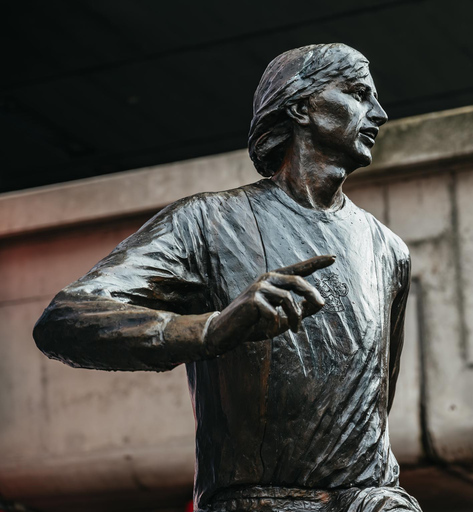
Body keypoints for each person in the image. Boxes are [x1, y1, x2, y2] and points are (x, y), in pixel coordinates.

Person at [33, 43, 419, 512]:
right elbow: (67, 318)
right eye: (359, 93)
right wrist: (210, 329)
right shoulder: (208, 222)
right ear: (301, 106)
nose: (378, 113)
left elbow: (377, 410)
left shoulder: (389, 251)